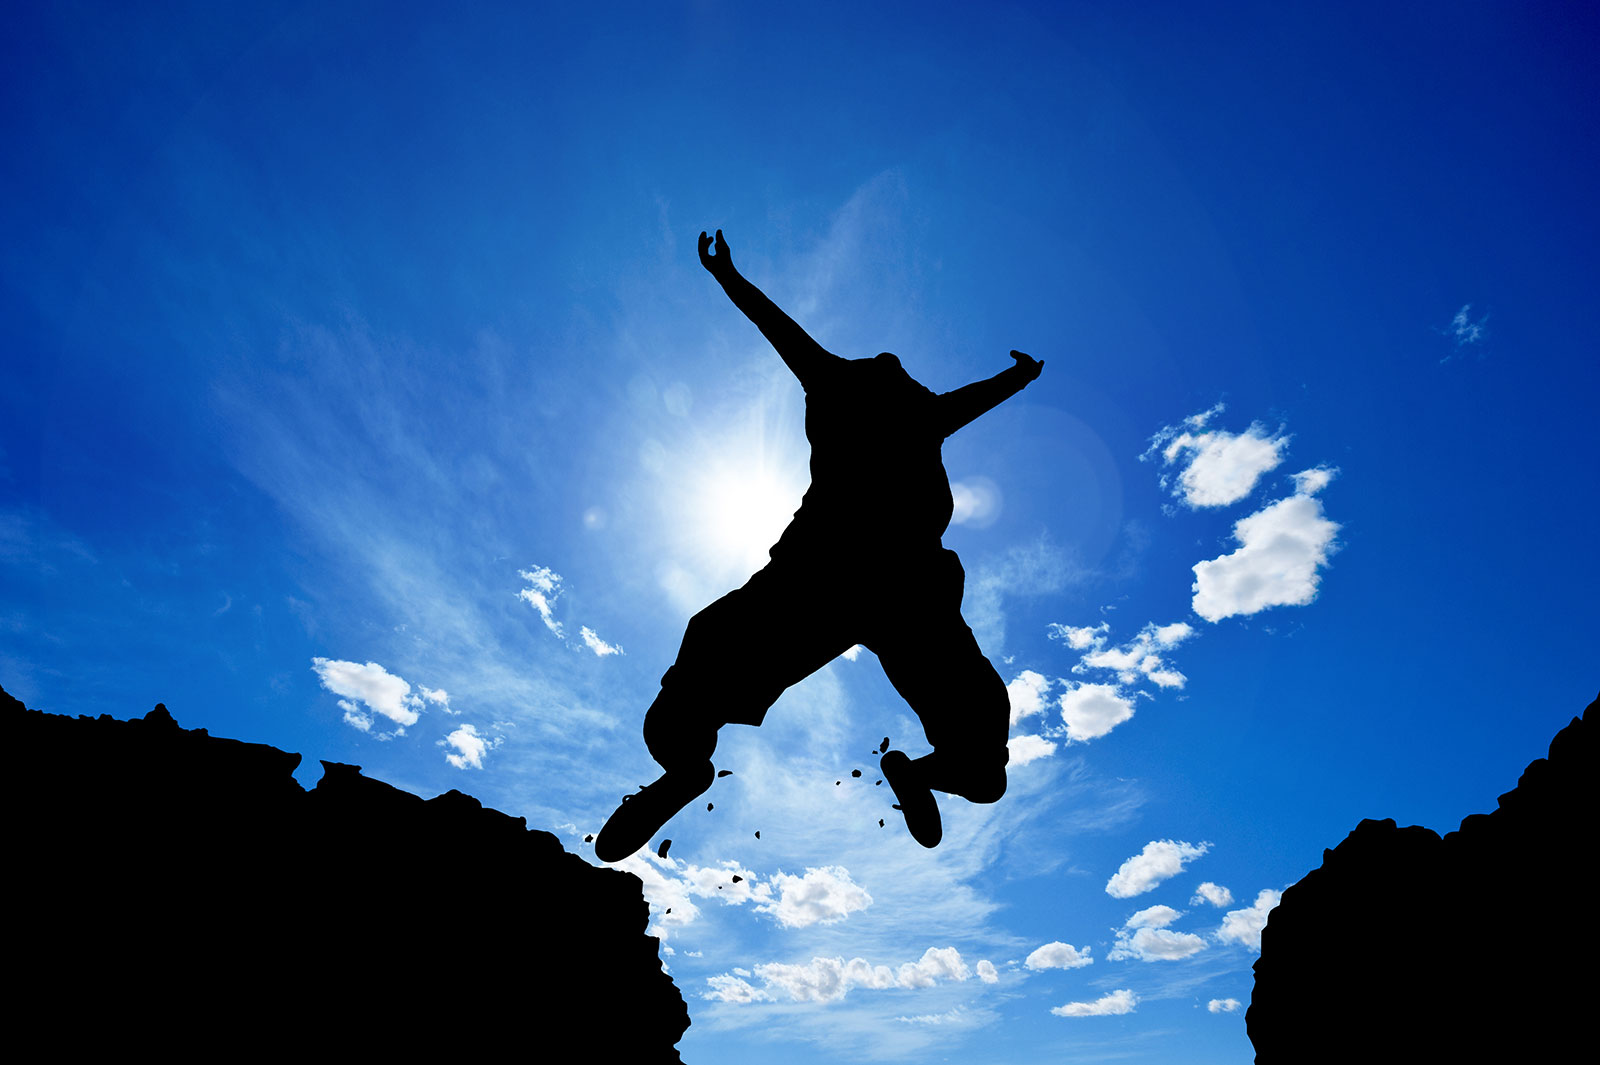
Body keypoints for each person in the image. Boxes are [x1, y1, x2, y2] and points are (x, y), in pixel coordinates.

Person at [595, 230, 1043, 862]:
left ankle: (917, 774)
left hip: (849, 579)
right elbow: (778, 328)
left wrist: (1018, 378)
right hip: (864, 578)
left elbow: (975, 398)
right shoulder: (841, 383)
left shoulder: (920, 410)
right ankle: (685, 767)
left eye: (902, 368)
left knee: (983, 767)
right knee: (701, 665)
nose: (895, 360)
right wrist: (727, 276)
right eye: (888, 364)